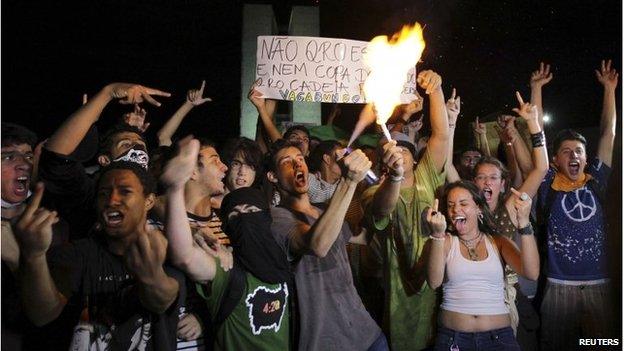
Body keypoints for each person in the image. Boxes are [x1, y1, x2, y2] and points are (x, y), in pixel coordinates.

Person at [15, 162, 183, 350]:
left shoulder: (167, 250)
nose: (111, 200)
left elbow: (161, 301)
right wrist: (34, 256)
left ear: (149, 201)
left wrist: (151, 274)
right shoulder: (75, 254)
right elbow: (42, 315)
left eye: (125, 191)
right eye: (103, 193)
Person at [161, 139, 292, 351]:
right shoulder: (224, 263)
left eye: (251, 211)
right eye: (235, 164)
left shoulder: (281, 262)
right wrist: (174, 190)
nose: (240, 172)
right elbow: (185, 256)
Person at [267, 140, 387, 350]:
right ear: (273, 176)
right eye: (287, 162)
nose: (297, 165)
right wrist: (348, 182)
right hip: (327, 342)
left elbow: (365, 237)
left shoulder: (324, 212)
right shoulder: (276, 218)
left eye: (300, 159)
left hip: (368, 335)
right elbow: (318, 245)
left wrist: (391, 181)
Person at [361, 70, 449, 350]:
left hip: (436, 286)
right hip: (398, 292)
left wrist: (435, 91)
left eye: (405, 150)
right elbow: (382, 210)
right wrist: (395, 178)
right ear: (384, 163)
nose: (400, 153)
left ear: (415, 157)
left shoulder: (428, 175)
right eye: (392, 151)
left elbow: (442, 135)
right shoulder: (374, 191)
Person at [536, 60, 618, 350]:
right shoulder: (546, 183)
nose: (573, 156)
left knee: (602, 345)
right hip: (558, 286)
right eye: (566, 151)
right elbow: (537, 138)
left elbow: (608, 133)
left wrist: (609, 89)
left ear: (585, 158)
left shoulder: (598, 180)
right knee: (556, 345)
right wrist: (536, 89)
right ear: (556, 159)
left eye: (579, 151)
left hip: (600, 286)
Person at [38, 83, 170, 237]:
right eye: (126, 145)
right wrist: (108, 92)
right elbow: (56, 158)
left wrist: (130, 134)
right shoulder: (89, 193)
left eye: (141, 146)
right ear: (105, 160)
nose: (137, 149)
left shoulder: (154, 190)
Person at [426, 181, 540, 351]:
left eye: (463, 203)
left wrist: (524, 222)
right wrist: (437, 235)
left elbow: (532, 273)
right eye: (451, 205)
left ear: (479, 208)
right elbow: (434, 282)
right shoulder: (446, 241)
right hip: (454, 338)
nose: (456, 210)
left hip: (499, 338)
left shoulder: (498, 242)